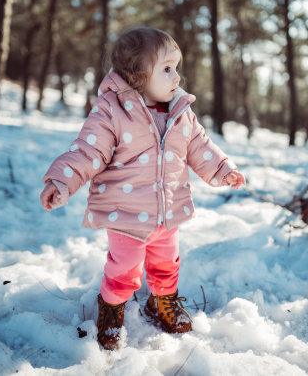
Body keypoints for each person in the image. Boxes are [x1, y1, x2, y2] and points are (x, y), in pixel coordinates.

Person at [40, 27, 245, 350]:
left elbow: (199, 146)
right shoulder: (112, 111)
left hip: (168, 211)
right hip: (126, 214)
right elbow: (87, 151)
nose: (176, 77)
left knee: (167, 263)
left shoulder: (180, 112)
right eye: (166, 69)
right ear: (137, 75)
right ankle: (111, 307)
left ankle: (161, 302)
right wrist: (62, 180)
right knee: (123, 268)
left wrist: (223, 169)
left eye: (176, 68)